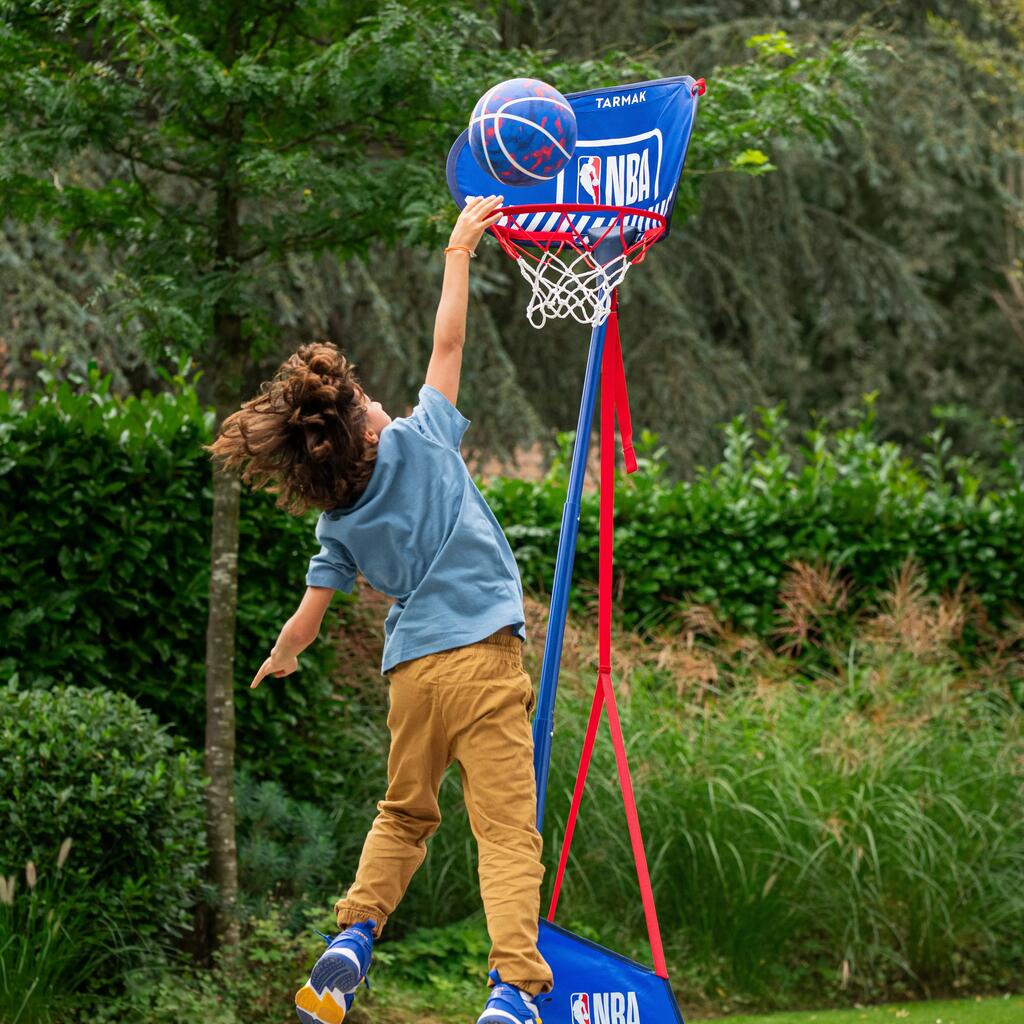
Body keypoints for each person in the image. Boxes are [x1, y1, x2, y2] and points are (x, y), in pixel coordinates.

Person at [206, 194, 554, 1024]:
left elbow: (309, 614)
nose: (379, 402)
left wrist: (285, 653)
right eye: (367, 401)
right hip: (482, 661)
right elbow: (449, 342)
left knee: (403, 813)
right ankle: (513, 990)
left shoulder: (338, 522)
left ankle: (355, 934)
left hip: (411, 681)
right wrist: (459, 252)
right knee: (506, 831)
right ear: (364, 429)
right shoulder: (423, 436)